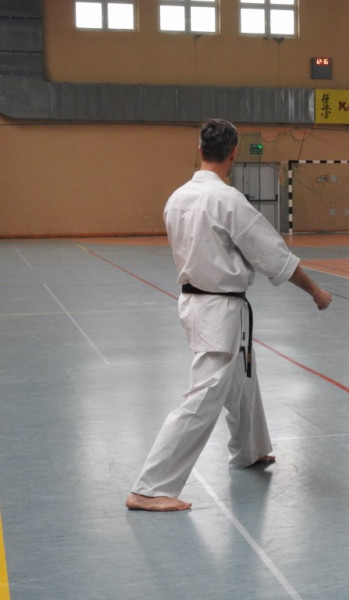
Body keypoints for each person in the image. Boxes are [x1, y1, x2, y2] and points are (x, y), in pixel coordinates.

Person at [126, 119, 332, 512]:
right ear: (234, 152)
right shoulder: (228, 200)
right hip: (218, 309)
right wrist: (316, 292)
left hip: (197, 303)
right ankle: (149, 488)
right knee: (204, 396)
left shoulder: (177, 198)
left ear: (198, 149)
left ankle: (249, 449)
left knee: (241, 379)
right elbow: (274, 256)